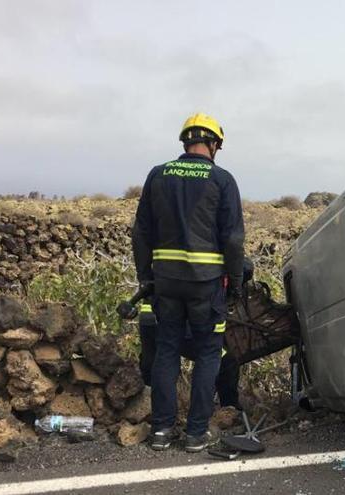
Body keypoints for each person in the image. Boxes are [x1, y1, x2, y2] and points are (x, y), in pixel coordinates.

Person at [132, 112, 245, 452]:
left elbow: (141, 232)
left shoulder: (157, 174)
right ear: (214, 144)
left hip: (166, 281)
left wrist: (146, 277)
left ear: (185, 141)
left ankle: (162, 431)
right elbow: (234, 240)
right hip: (206, 284)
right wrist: (236, 283)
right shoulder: (222, 179)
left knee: (166, 349)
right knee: (209, 352)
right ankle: (196, 432)